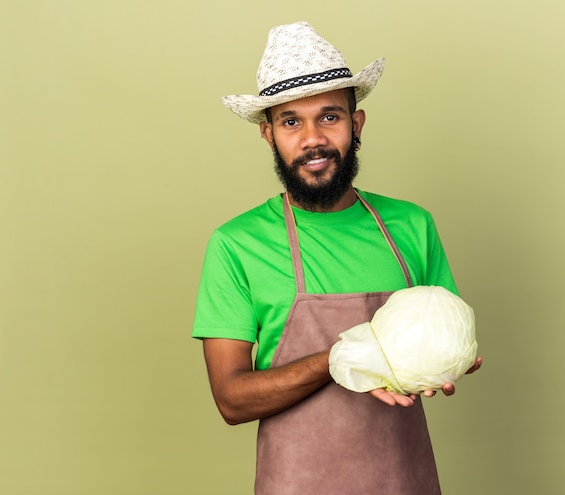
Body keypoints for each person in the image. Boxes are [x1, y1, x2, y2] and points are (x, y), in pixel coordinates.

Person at [193, 21, 482, 495]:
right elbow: (231, 401)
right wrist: (341, 358)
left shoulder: (412, 226)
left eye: (330, 116)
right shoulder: (236, 244)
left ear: (357, 124)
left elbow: (443, 333)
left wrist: (449, 359)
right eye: (291, 122)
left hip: (404, 481)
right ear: (268, 135)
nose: (312, 139)